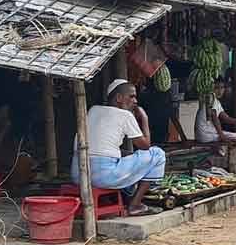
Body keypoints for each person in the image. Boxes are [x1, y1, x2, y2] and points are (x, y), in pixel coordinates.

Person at [71, 79, 166, 216]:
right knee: (157, 154)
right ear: (119, 98)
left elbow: (101, 149)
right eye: (131, 96)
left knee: (125, 155)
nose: (135, 101)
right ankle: (135, 205)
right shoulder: (125, 115)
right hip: (103, 177)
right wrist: (144, 118)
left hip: (78, 174)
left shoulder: (93, 110)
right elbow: (145, 146)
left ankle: (119, 198)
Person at [195, 78, 236, 144]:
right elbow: (214, 117)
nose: (220, 91)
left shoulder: (217, 102)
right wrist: (222, 136)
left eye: (222, 88)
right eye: (216, 88)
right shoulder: (211, 97)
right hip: (206, 135)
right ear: (212, 88)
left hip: (208, 133)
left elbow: (226, 119)